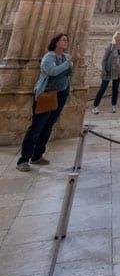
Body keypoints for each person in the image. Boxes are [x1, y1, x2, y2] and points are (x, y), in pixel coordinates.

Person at [17, 33, 76, 172]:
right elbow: (52, 71)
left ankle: (37, 155)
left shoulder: (66, 57)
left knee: (48, 126)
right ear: (56, 42)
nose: (66, 42)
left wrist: (71, 65)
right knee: (37, 127)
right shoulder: (49, 57)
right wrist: (68, 63)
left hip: (60, 94)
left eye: (67, 40)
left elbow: (68, 74)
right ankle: (23, 160)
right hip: (46, 95)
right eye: (63, 40)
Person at [92, 31, 120, 114]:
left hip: (118, 71)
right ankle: (95, 106)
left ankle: (113, 106)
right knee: (103, 88)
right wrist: (104, 69)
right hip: (108, 70)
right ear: (115, 37)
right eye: (117, 37)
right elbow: (104, 59)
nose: (119, 38)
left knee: (115, 89)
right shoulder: (111, 46)